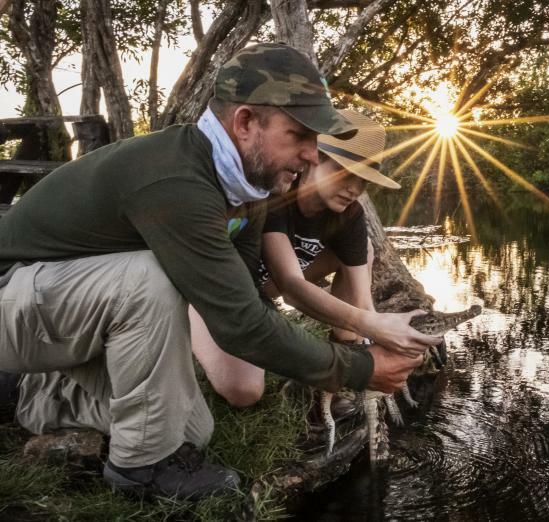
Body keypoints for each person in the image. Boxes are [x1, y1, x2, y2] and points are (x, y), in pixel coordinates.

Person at [0, 43, 439, 499]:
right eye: (300, 136)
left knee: (191, 429)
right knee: (148, 278)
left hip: (66, 310)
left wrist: (356, 336)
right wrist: (360, 368)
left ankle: (28, 392)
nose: (312, 155)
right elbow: (241, 326)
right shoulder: (176, 180)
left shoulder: (245, 192)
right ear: (246, 122)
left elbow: (243, 295)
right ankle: (140, 469)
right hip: (13, 294)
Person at [191, 110, 433, 407]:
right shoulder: (277, 195)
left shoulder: (350, 214)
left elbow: (363, 301)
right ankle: (188, 329)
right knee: (244, 391)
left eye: (364, 182)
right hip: (223, 294)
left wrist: (386, 341)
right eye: (346, 173)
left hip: (265, 290)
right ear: (313, 158)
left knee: (363, 252)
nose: (354, 189)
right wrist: (373, 324)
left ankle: (342, 367)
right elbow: (291, 287)